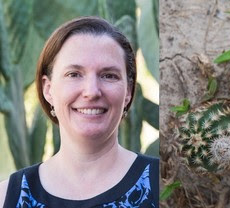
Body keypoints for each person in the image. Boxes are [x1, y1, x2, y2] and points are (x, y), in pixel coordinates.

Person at [0, 16, 158, 207]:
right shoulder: (7, 197)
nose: (91, 91)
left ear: (129, 91)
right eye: (73, 74)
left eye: (109, 75)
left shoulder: (167, 184)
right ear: (48, 89)